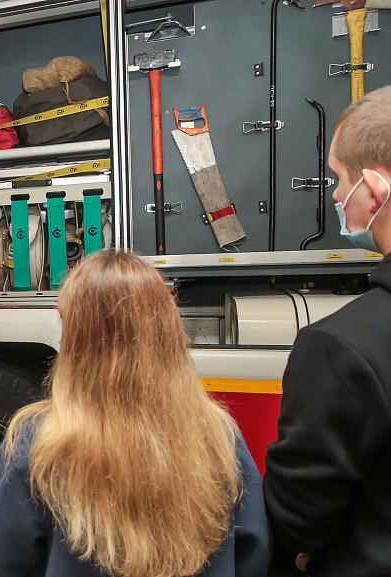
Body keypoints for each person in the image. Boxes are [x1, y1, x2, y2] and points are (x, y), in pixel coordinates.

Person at [0, 250, 270, 577]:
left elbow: (5, 559)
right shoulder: (218, 433)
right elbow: (252, 549)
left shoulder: (35, 441)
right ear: (167, 331)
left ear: (77, 340)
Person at [263, 85, 391, 577]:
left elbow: (298, 522)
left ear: (375, 192)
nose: (337, 196)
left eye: (339, 179)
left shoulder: (341, 346)